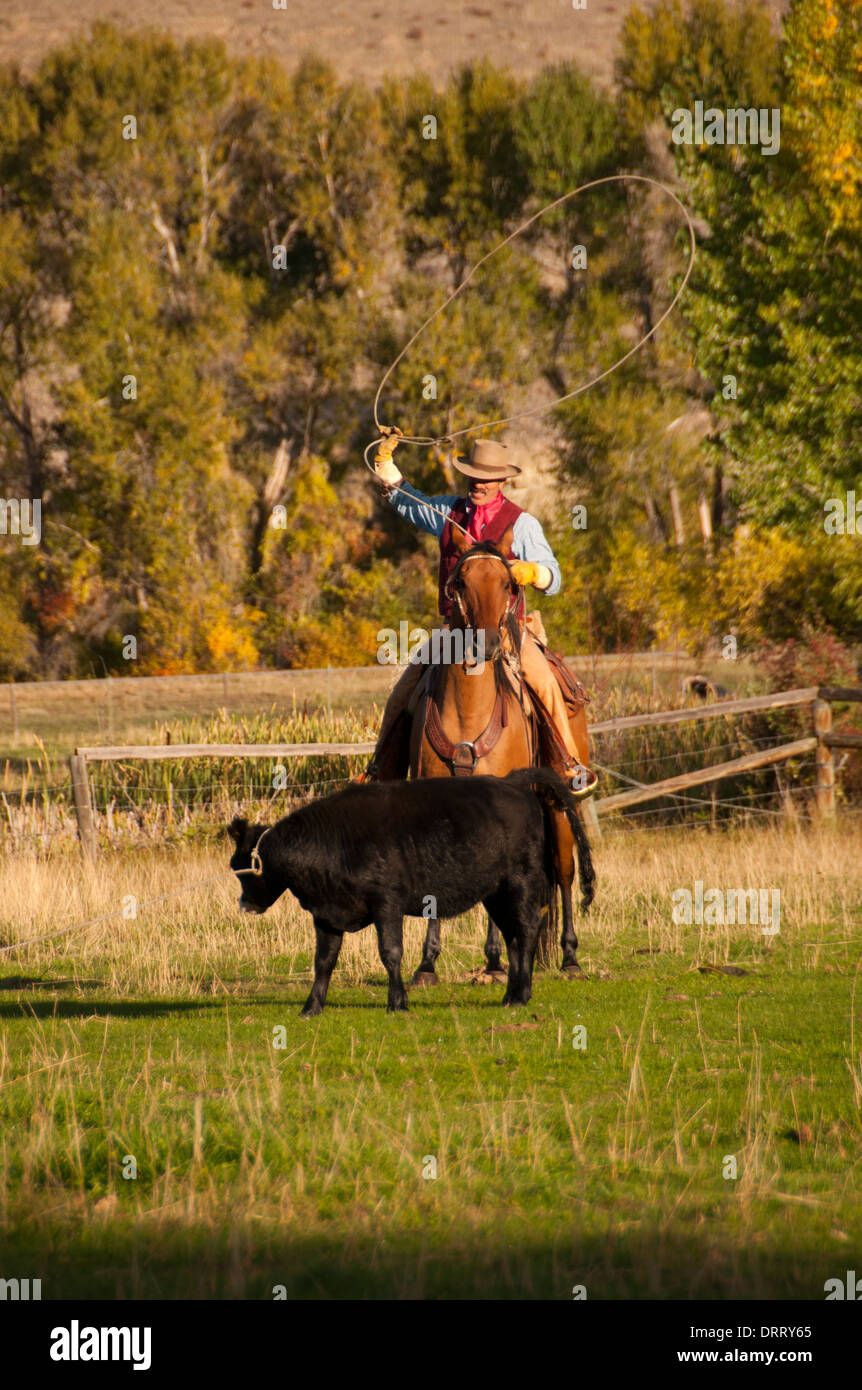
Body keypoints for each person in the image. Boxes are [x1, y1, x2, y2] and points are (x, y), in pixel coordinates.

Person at [365, 429, 597, 796]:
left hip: (508, 631)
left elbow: (554, 578)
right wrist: (385, 463)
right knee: (401, 694)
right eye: (474, 477)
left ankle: (569, 766)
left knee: (547, 685)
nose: (479, 484)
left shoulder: (522, 523)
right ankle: (379, 774)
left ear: (502, 481)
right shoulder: (448, 512)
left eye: (487, 479)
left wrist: (532, 571)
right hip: (453, 635)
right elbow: (408, 500)